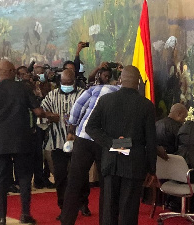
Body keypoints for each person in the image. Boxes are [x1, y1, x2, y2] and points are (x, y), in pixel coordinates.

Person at [85, 65, 157, 225]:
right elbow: (151, 141)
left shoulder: (106, 100)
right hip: (134, 164)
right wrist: (152, 169)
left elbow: (90, 127)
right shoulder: (146, 105)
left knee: (109, 208)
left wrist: (113, 143)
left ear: (120, 80)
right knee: (129, 210)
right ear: (138, 82)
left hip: (110, 161)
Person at [0, 59, 59, 225]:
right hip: (22, 140)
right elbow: (38, 111)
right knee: (24, 177)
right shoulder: (23, 88)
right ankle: (25, 214)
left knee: (0, 179)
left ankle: (1, 217)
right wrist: (52, 116)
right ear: (10, 72)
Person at [61, 84, 121, 225]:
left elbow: (78, 106)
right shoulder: (127, 97)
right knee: (107, 186)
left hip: (84, 138)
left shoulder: (97, 89)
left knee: (74, 182)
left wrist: (72, 126)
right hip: (105, 142)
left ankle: (66, 221)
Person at [40, 69, 87, 220]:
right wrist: (48, 117)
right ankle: (63, 207)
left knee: (81, 175)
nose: (66, 85)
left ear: (74, 81)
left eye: (69, 83)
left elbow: (90, 115)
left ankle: (83, 203)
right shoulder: (51, 95)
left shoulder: (82, 95)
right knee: (60, 177)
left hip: (79, 142)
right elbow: (40, 114)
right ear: (60, 81)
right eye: (64, 83)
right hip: (58, 143)